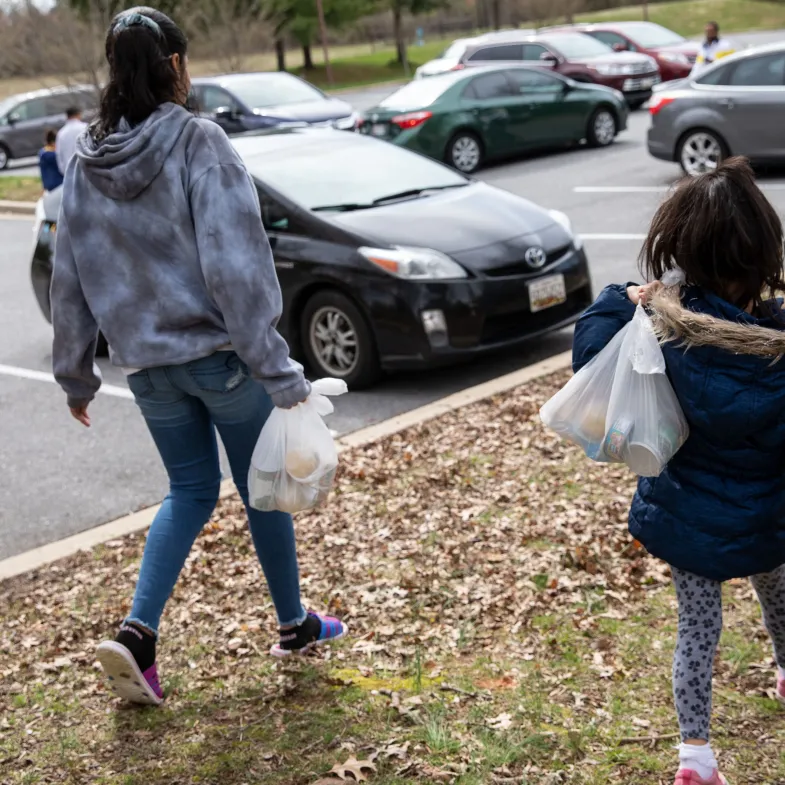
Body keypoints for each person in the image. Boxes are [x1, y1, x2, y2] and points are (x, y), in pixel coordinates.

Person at [50, 6, 346, 707]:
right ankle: (293, 623)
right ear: (175, 66)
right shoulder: (198, 141)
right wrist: (277, 369)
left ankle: (139, 632)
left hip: (148, 369)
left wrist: (75, 376)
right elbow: (236, 268)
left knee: (189, 492)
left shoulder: (85, 162)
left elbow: (71, 274)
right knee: (262, 486)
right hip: (219, 360)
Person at [572, 157, 785, 785]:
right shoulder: (777, 346)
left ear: (683, 252)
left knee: (698, 628)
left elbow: (589, 354)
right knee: (779, 599)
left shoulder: (660, 332)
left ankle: (696, 755)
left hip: (687, 518)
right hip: (769, 516)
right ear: (763, 258)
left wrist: (620, 298)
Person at [55, 106, 87, 176]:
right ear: (78, 114)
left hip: (69, 172)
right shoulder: (85, 128)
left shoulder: (61, 133)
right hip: (86, 169)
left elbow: (59, 154)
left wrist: (63, 171)